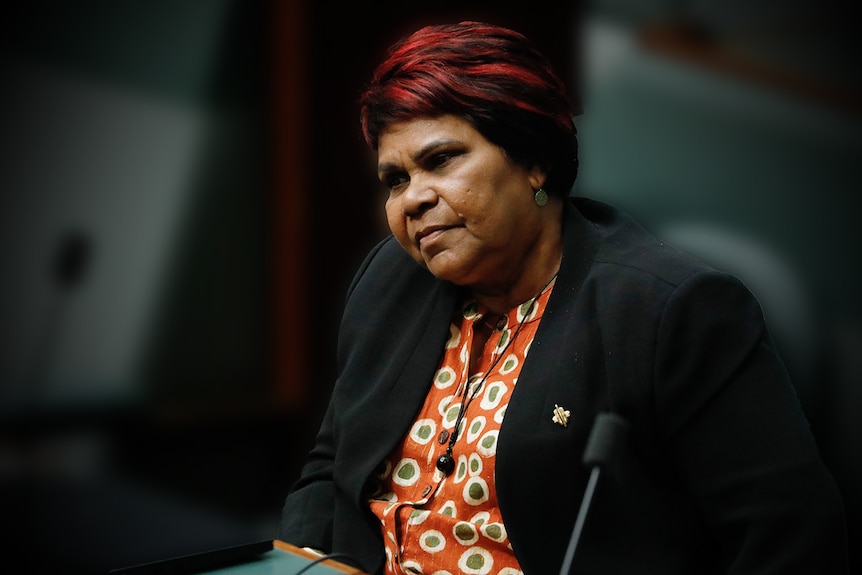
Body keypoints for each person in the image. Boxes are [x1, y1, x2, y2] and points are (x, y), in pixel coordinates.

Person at [277, 20, 848, 575]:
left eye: (441, 160)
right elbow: (332, 469)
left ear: (533, 162)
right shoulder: (389, 281)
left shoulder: (670, 311)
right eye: (395, 179)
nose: (413, 200)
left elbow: (791, 539)